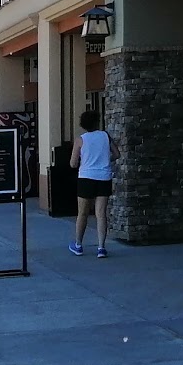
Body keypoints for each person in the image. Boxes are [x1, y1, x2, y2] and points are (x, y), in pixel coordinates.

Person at [69, 108, 112, 257]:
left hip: (86, 177)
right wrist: (105, 160)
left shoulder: (80, 140)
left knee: (82, 213)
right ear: (97, 122)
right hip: (104, 177)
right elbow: (117, 154)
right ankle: (101, 247)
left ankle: (78, 245)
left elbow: (73, 163)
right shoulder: (106, 136)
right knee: (101, 214)